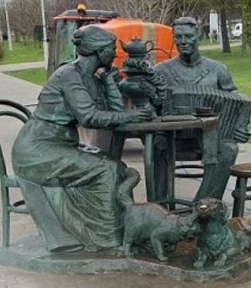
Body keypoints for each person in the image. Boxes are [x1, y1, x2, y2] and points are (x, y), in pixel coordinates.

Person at [11, 25, 150, 253]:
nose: (115, 53)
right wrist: (131, 115)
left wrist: (108, 81)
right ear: (99, 51)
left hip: (60, 145)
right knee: (106, 170)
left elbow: (113, 115)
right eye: (112, 49)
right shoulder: (69, 75)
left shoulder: (92, 78)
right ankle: (107, 239)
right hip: (37, 149)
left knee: (118, 167)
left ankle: (120, 231)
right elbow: (89, 117)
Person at [154, 16, 251, 201]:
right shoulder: (161, 71)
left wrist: (242, 125)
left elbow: (237, 100)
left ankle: (204, 205)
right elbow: (151, 105)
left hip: (208, 138)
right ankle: (159, 206)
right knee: (156, 145)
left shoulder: (217, 69)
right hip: (173, 137)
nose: (183, 41)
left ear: (199, 37)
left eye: (188, 36)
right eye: (178, 37)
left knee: (229, 149)